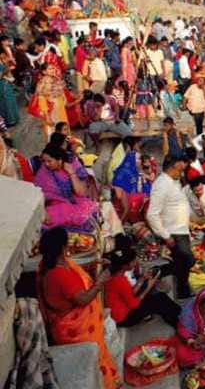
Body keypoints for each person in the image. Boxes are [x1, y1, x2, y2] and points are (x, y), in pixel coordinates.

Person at [36, 228, 119, 389]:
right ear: (62, 247)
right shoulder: (58, 275)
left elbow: (73, 271)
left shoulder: (52, 262)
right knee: (96, 363)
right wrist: (100, 281)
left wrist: (94, 263)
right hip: (75, 330)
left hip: (80, 324)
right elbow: (83, 299)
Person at [146, 154, 195, 299]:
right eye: (181, 168)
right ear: (174, 165)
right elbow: (152, 214)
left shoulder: (174, 182)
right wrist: (165, 235)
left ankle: (183, 291)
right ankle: (158, 271)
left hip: (181, 229)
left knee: (184, 263)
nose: (182, 172)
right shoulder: (161, 184)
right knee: (187, 260)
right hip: (173, 232)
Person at [104, 247, 181, 328]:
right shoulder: (119, 281)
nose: (135, 262)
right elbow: (133, 304)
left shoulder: (116, 274)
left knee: (159, 296)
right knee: (158, 300)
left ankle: (178, 315)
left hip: (124, 306)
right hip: (124, 318)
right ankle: (180, 324)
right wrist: (148, 286)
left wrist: (142, 279)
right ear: (125, 265)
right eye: (133, 261)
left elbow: (129, 293)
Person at [34, 145, 98, 232]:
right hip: (56, 206)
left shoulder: (74, 165)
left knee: (88, 218)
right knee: (45, 224)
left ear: (59, 160)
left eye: (49, 161)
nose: (46, 164)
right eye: (44, 161)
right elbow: (37, 195)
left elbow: (81, 192)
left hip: (78, 203)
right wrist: (43, 211)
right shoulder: (43, 172)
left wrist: (71, 173)